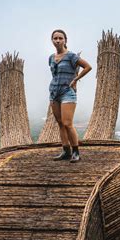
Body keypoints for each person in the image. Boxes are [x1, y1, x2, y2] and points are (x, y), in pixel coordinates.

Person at [48, 29, 92, 162]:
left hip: (67, 92)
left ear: (65, 40)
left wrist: (75, 80)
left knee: (68, 123)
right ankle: (65, 151)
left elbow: (88, 67)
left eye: (60, 38)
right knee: (60, 123)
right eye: (55, 38)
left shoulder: (71, 56)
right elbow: (55, 75)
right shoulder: (51, 57)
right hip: (54, 92)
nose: (58, 40)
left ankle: (76, 152)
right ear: (52, 41)